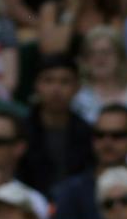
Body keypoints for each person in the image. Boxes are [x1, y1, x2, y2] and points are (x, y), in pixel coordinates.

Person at [19, 53, 93, 195]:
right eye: (48, 81)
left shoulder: (87, 133)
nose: (56, 89)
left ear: (77, 87)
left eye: (64, 82)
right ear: (36, 85)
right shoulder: (20, 131)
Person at [72, 25, 127, 123]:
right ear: (85, 60)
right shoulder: (77, 98)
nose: (99, 58)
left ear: (120, 57)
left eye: (106, 52)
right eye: (92, 53)